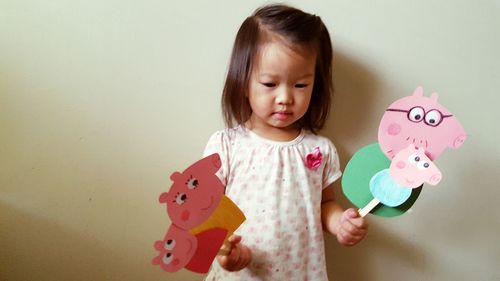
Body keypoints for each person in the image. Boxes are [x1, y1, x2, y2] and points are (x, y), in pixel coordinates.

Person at [203, 4, 368, 280]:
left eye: (300, 85)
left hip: (300, 272)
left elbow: (325, 203)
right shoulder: (227, 145)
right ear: (243, 82)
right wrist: (226, 252)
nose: (285, 98)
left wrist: (340, 223)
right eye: (269, 84)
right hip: (241, 272)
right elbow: (206, 208)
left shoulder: (320, 149)